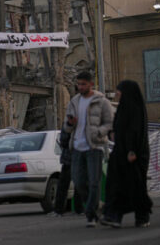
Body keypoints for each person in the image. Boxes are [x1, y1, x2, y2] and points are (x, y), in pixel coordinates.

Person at [63, 71, 113, 228]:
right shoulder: (74, 102)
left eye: (83, 84)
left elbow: (109, 123)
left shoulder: (101, 101)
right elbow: (66, 126)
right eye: (78, 84)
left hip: (94, 146)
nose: (80, 87)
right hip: (77, 147)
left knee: (94, 182)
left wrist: (98, 132)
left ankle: (90, 215)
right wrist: (70, 124)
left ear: (91, 84)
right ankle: (98, 206)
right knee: (78, 182)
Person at [100, 80, 153, 228]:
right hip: (120, 153)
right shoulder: (122, 109)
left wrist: (132, 151)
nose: (116, 93)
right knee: (115, 186)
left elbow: (135, 132)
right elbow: (118, 128)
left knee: (135, 187)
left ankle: (142, 216)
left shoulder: (135, 109)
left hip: (134, 155)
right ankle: (113, 216)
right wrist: (112, 133)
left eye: (119, 90)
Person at [51, 125, 82, 216]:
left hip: (70, 158)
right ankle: (78, 209)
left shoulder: (69, 123)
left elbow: (63, 141)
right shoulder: (71, 123)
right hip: (72, 158)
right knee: (70, 184)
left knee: (65, 185)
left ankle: (60, 210)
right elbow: (64, 141)